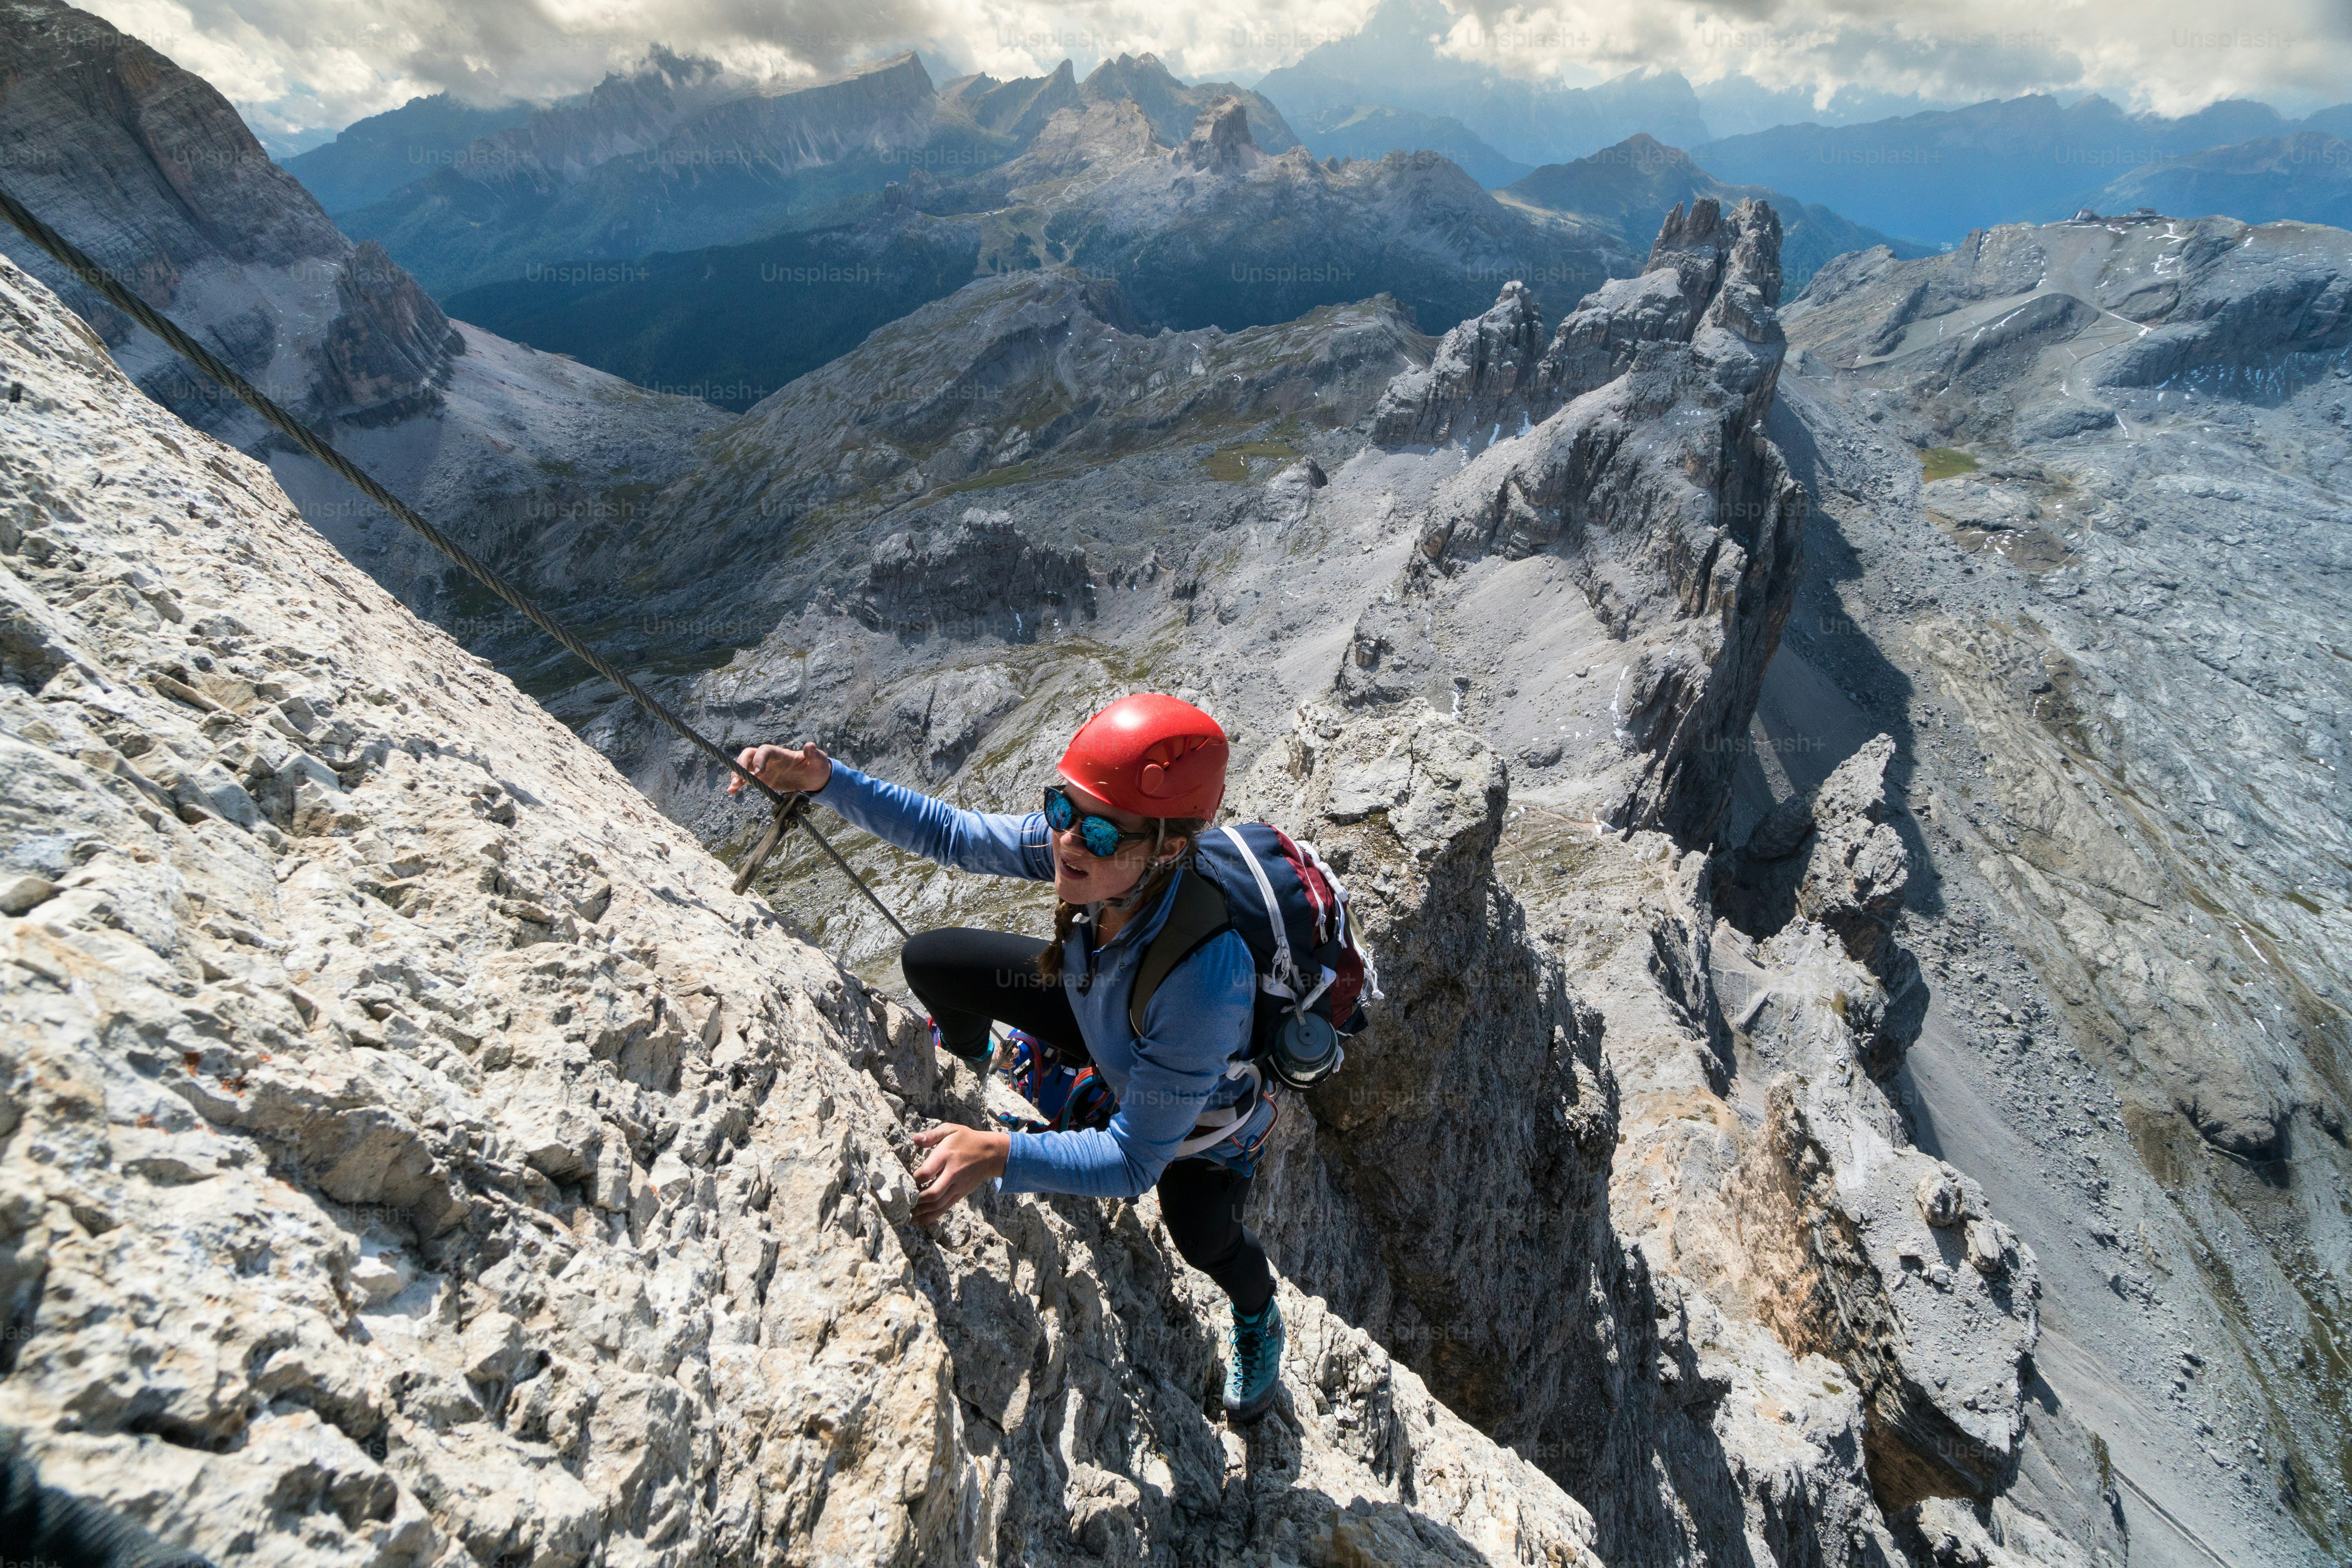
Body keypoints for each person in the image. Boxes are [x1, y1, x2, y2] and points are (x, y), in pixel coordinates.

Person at [730, 693, 1287, 1421]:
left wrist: (998, 1154)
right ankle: (970, 1073)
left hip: (1194, 1121)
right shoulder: (1102, 845)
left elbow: (1132, 1163)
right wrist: (826, 781)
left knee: (1201, 1234)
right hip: (1108, 1014)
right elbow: (953, 834)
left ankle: (1260, 1314)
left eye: (1096, 830)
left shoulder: (1206, 980)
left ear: (1167, 848)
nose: (1068, 843)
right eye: (1062, 811)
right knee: (934, 961)